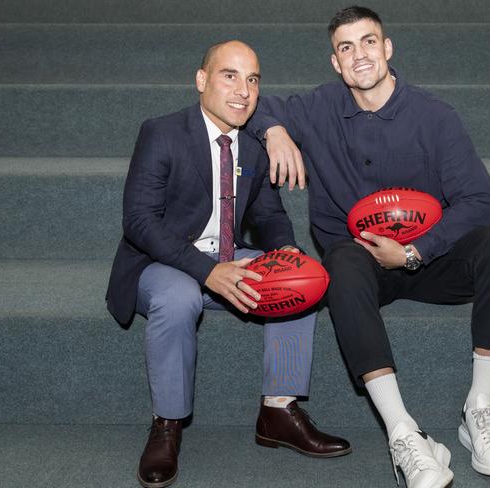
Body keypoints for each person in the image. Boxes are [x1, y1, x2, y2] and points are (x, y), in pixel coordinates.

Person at [247, 7, 490, 488]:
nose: (360, 55)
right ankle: (404, 433)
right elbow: (253, 104)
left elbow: (480, 201)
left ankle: (479, 410)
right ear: (335, 62)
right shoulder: (316, 108)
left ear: (388, 47)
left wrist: (417, 250)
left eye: (369, 42)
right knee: (341, 261)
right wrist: (274, 132)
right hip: (361, 272)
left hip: (430, 262)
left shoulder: (434, 116)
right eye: (346, 47)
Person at [105, 40, 350, 488]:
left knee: (303, 278)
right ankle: (167, 424)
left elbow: (269, 214)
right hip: (158, 263)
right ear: (201, 81)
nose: (243, 90)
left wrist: (286, 249)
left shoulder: (253, 144)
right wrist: (207, 272)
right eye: (229, 76)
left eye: (252, 79)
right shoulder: (162, 131)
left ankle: (278, 411)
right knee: (180, 297)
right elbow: (139, 222)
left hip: (226, 256)